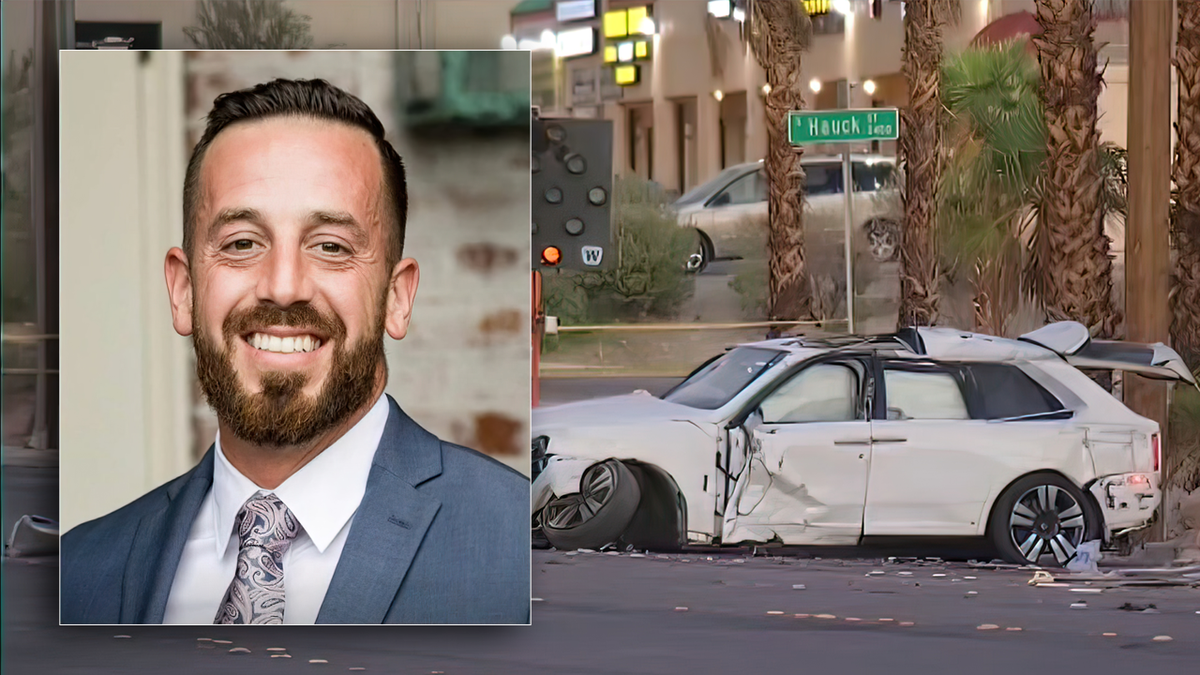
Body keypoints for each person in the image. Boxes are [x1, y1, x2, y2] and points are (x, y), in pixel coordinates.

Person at [60, 78, 530, 625]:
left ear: (397, 299)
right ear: (184, 291)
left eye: (331, 247)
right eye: (241, 243)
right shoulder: (81, 571)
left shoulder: (518, 551)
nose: (283, 286)